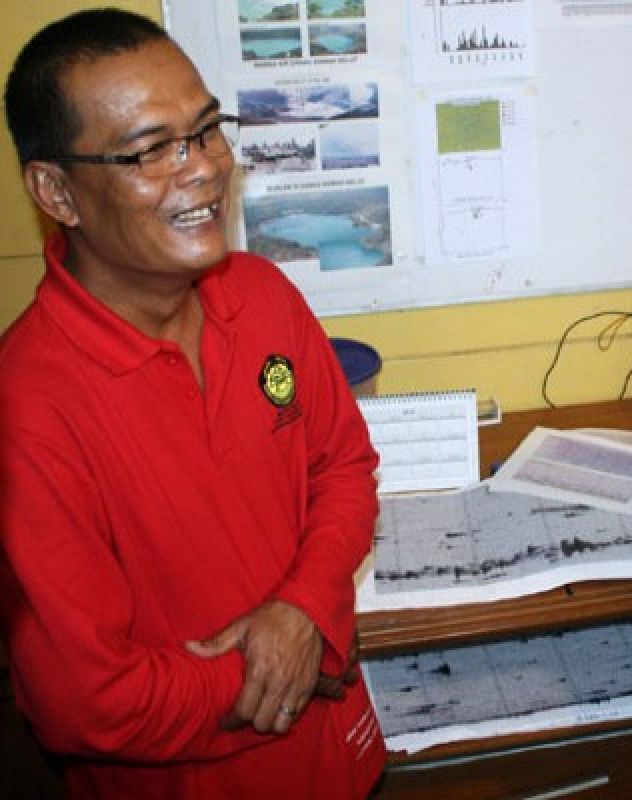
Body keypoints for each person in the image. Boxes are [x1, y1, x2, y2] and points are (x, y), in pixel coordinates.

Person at [0, 9, 385, 798]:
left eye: (206, 130)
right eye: (150, 150)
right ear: (56, 191)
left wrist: (305, 611)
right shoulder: (28, 406)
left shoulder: (263, 295)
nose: (203, 168)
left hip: (341, 764)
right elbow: (85, 701)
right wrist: (273, 673)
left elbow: (343, 465)